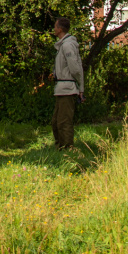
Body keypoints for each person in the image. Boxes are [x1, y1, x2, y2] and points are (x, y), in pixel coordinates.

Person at [52, 16, 83, 152]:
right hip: (61, 88)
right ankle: (60, 147)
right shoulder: (62, 45)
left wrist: (80, 87)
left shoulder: (67, 45)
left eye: (55, 26)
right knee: (56, 121)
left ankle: (67, 148)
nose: (54, 29)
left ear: (60, 29)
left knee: (64, 121)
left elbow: (75, 68)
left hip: (67, 88)